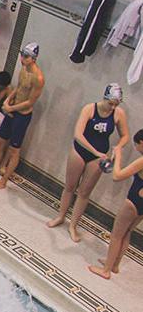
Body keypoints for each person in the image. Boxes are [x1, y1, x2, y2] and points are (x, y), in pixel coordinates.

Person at [49, 84, 130, 242]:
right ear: (104, 98)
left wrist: (118, 147)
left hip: (98, 157)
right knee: (70, 187)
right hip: (80, 151)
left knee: (84, 193)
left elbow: (125, 135)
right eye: (110, 103)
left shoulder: (118, 113)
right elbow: (78, 134)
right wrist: (95, 152)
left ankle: (73, 225)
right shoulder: (89, 109)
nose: (113, 107)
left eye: (116, 104)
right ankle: (60, 216)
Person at [0, 42, 45, 190]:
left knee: (14, 151)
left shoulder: (38, 78)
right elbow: (19, 88)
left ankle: (2, 182)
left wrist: (10, 107)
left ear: (34, 58)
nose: (22, 59)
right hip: (12, 112)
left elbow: (30, 102)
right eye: (22, 54)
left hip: (22, 117)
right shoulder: (23, 69)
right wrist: (8, 100)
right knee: (1, 143)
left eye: (26, 56)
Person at [88, 129, 143, 279]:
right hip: (142, 204)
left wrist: (118, 155)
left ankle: (105, 270)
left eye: (136, 145)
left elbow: (117, 176)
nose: (136, 148)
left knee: (117, 235)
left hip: (133, 201)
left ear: (142, 143)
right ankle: (115, 265)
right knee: (127, 232)